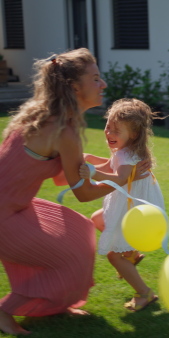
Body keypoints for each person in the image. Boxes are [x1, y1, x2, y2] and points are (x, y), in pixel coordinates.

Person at [0, 48, 149, 335]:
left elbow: (64, 168)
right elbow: (82, 192)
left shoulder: (50, 119)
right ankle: (4, 311)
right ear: (74, 87)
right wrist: (123, 179)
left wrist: (114, 165)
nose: (103, 84)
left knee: (80, 232)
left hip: (15, 207)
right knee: (71, 258)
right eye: (95, 79)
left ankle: (57, 303)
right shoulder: (63, 131)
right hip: (3, 217)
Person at [80, 98, 164, 312]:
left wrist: (92, 172)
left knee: (113, 255)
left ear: (133, 134)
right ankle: (132, 254)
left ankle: (144, 293)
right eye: (108, 127)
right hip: (132, 204)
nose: (109, 133)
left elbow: (119, 178)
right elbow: (112, 163)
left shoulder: (127, 154)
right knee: (97, 219)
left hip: (131, 208)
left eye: (116, 130)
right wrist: (90, 158)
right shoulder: (126, 150)